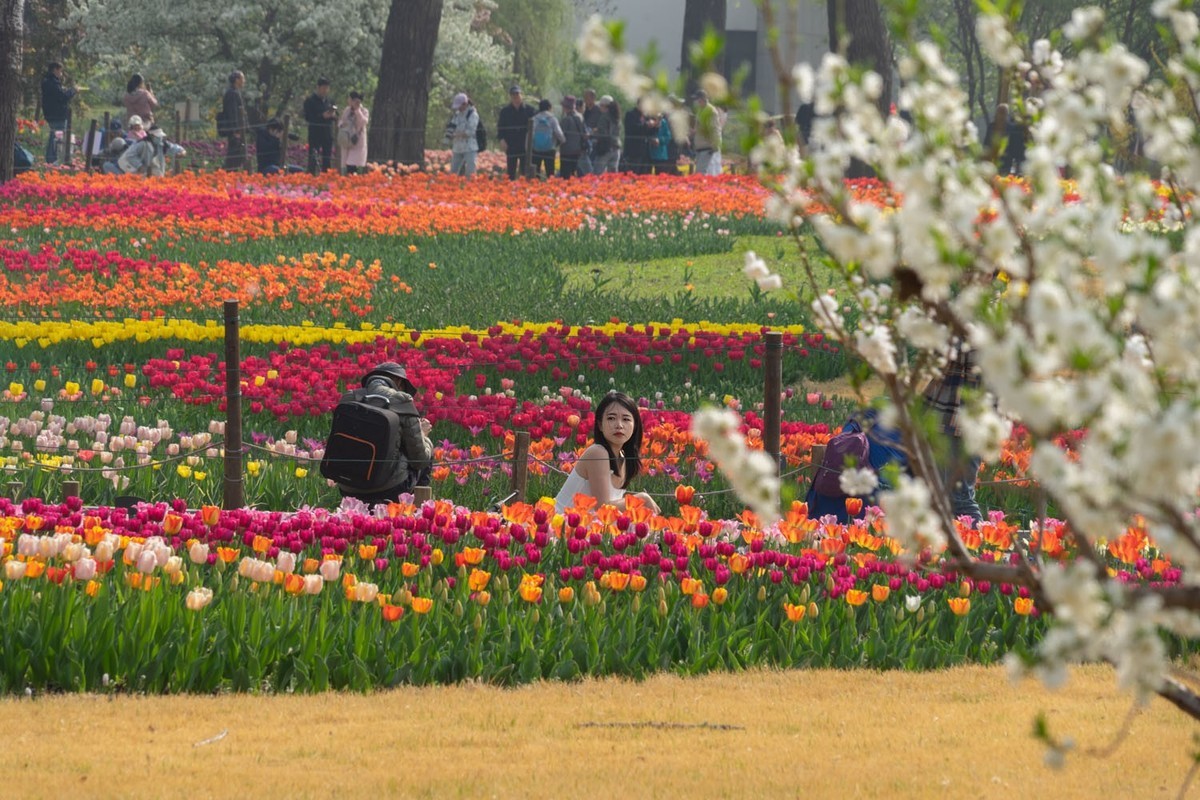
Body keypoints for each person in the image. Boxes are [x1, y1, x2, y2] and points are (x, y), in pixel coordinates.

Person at [332, 363, 433, 506]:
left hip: (348, 485)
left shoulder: (350, 397)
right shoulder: (402, 402)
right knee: (426, 451)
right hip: (390, 489)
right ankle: (419, 513)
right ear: (398, 382)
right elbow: (419, 459)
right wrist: (423, 435)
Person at [554, 391, 661, 514]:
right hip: (559, 525)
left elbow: (613, 511)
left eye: (626, 419)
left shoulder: (623, 459)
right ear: (600, 425)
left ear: (635, 426)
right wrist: (642, 498)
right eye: (611, 418)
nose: (619, 425)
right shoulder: (597, 453)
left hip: (589, 527)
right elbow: (602, 507)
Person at [922, 341, 983, 523]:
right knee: (947, 497)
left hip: (955, 418)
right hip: (971, 419)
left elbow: (945, 355)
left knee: (960, 499)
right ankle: (961, 547)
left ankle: (978, 547)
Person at [40, 62, 76, 164]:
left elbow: (57, 95)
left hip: (51, 113)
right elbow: (62, 97)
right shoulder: (53, 82)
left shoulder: (47, 81)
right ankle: (52, 159)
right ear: (55, 69)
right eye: (60, 70)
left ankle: (52, 158)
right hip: (57, 114)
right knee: (57, 137)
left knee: (54, 135)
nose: (61, 73)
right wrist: (73, 91)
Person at [497, 85, 535, 179]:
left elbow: (534, 128)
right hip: (511, 144)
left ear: (521, 94)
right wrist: (501, 140)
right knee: (511, 172)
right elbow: (500, 127)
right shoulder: (505, 111)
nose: (515, 96)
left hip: (525, 145)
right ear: (510, 96)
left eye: (517, 93)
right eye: (513, 94)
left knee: (525, 171)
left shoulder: (530, 110)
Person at [117, 126, 186, 176]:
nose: (160, 138)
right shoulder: (142, 144)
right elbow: (130, 155)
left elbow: (175, 148)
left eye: (160, 136)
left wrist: (182, 152)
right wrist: (139, 166)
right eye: (158, 136)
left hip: (154, 171)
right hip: (138, 171)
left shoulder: (162, 144)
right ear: (152, 136)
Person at [303, 77, 337, 174]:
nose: (325, 90)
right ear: (318, 87)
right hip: (315, 133)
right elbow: (308, 117)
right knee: (313, 157)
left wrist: (333, 115)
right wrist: (322, 116)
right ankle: (311, 176)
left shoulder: (329, 101)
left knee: (327, 158)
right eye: (323, 88)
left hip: (327, 133)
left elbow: (335, 116)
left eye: (327, 88)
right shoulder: (310, 101)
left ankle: (326, 176)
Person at [690, 89, 725, 176]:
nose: (697, 102)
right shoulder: (701, 110)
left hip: (707, 147)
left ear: (703, 99)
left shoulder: (711, 111)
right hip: (700, 146)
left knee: (701, 172)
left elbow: (715, 129)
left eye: (698, 99)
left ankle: (702, 189)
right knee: (700, 171)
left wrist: (715, 145)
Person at [446, 92, 479, 177]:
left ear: (465, 104)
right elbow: (452, 126)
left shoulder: (472, 114)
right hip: (457, 147)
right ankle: (451, 187)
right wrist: (448, 134)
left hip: (469, 147)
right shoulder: (457, 114)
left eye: (459, 106)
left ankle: (470, 188)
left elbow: (471, 131)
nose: (458, 108)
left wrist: (457, 135)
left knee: (470, 171)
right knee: (453, 171)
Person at [529, 98, 564, 179]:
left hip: (536, 150)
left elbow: (530, 134)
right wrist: (561, 141)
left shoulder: (534, 119)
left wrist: (529, 147)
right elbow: (559, 134)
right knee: (550, 173)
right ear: (549, 108)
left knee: (535, 174)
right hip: (550, 149)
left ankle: (535, 189)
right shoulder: (552, 119)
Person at [221, 71, 249, 171]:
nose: (244, 81)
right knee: (234, 153)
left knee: (238, 153)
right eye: (242, 78)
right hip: (235, 130)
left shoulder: (234, 92)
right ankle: (228, 172)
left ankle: (231, 172)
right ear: (237, 80)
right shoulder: (232, 93)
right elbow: (233, 113)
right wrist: (236, 130)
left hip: (237, 129)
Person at [337, 91, 369, 174]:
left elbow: (363, 122)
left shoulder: (364, 111)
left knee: (353, 164)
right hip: (347, 140)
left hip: (357, 142)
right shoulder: (347, 110)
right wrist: (342, 125)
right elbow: (341, 121)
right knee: (346, 164)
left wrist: (357, 110)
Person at [558, 95, 587, 178]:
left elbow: (561, 136)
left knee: (565, 175)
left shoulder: (566, 120)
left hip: (567, 151)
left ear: (565, 107)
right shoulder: (580, 116)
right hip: (577, 150)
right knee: (574, 173)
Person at [592, 95, 621, 174]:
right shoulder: (616, 117)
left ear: (605, 106)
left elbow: (603, 134)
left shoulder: (604, 117)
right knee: (612, 176)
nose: (599, 108)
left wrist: (592, 134)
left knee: (597, 174)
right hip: (616, 148)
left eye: (601, 105)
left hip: (605, 148)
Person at [622, 101, 652, 174]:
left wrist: (655, 127)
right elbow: (632, 129)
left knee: (644, 173)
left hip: (645, 151)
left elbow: (648, 132)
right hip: (633, 150)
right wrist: (646, 125)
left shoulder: (646, 116)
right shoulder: (630, 114)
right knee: (633, 172)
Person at [577, 89, 602, 175]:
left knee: (591, 166)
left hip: (594, 141)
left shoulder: (599, 110)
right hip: (584, 141)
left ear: (593, 98)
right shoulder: (584, 109)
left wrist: (591, 132)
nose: (585, 100)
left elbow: (601, 127)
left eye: (587, 97)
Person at [648, 110, 679, 175]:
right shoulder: (649, 122)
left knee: (661, 174)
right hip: (649, 154)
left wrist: (660, 140)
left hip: (661, 154)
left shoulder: (664, 123)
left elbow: (668, 137)